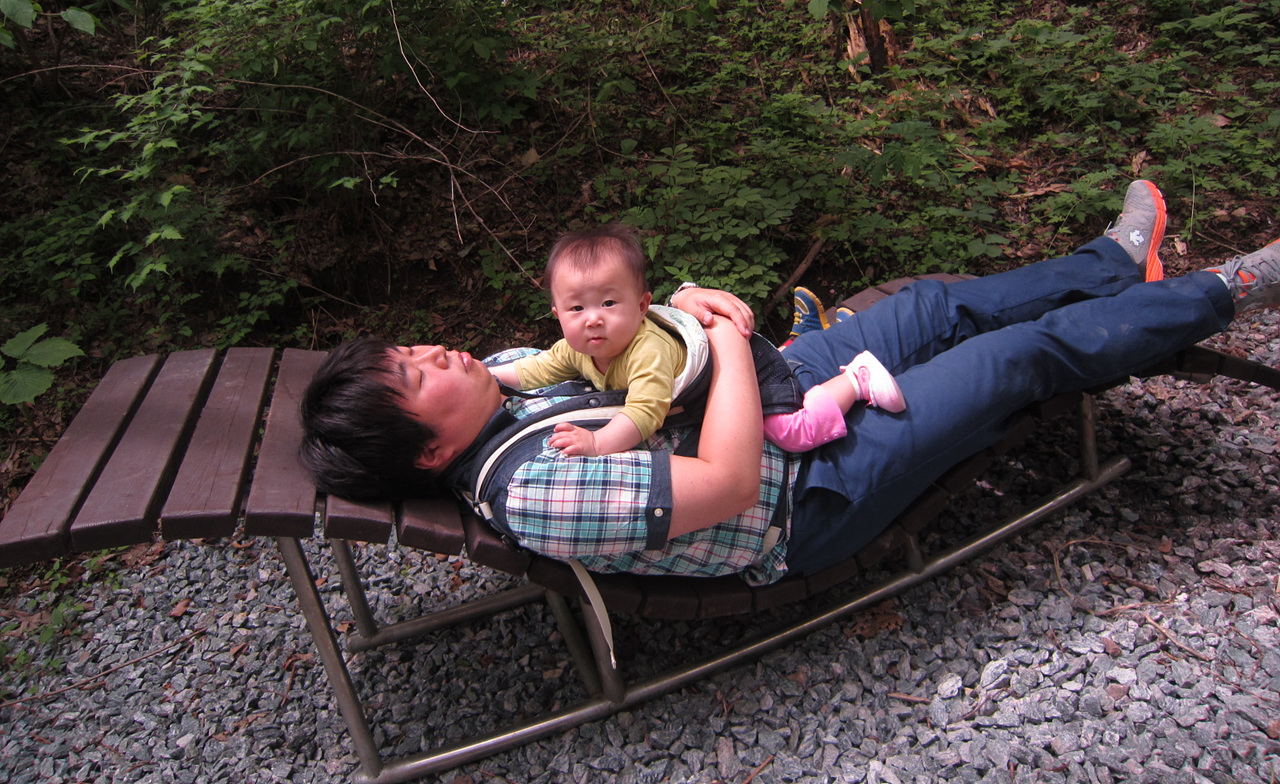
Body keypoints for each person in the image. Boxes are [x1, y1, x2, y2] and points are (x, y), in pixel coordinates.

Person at [299, 180, 1279, 584]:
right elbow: (727, 486)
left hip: (767, 396)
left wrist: (681, 307)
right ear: (429, 450)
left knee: (932, 306)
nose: (434, 353)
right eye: (413, 377)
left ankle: (1116, 265)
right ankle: (1224, 290)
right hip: (800, 492)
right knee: (1009, 362)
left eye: (411, 349)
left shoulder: (503, 380)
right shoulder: (538, 489)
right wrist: (727, 340)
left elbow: (619, 334)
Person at [487, 224, 904, 457]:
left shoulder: (646, 352)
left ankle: (856, 378)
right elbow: (533, 369)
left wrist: (597, 442)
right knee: (791, 371)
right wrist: (489, 376)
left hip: (743, 370)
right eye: (576, 308)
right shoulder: (576, 349)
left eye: (609, 303)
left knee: (792, 432)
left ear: (642, 305)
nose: (593, 318)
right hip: (715, 364)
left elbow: (643, 414)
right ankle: (802, 341)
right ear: (558, 315)